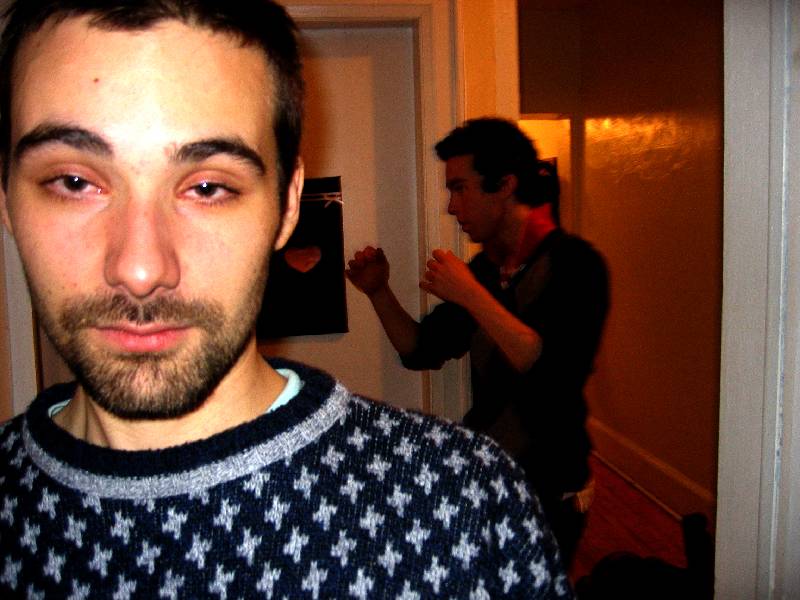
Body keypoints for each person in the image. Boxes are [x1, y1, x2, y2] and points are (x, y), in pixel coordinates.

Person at [0, 2, 572, 598]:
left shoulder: (467, 513)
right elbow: (423, 348)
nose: (140, 270)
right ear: (7, 197)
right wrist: (379, 290)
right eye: (74, 182)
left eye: (207, 187)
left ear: (288, 205)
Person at [347, 118, 609, 566]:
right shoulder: (486, 271)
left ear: (505, 185)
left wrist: (470, 294)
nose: (452, 206)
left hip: (551, 493)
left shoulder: (577, 265)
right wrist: (378, 291)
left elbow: (552, 374)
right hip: (490, 478)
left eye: (460, 188)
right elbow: (419, 349)